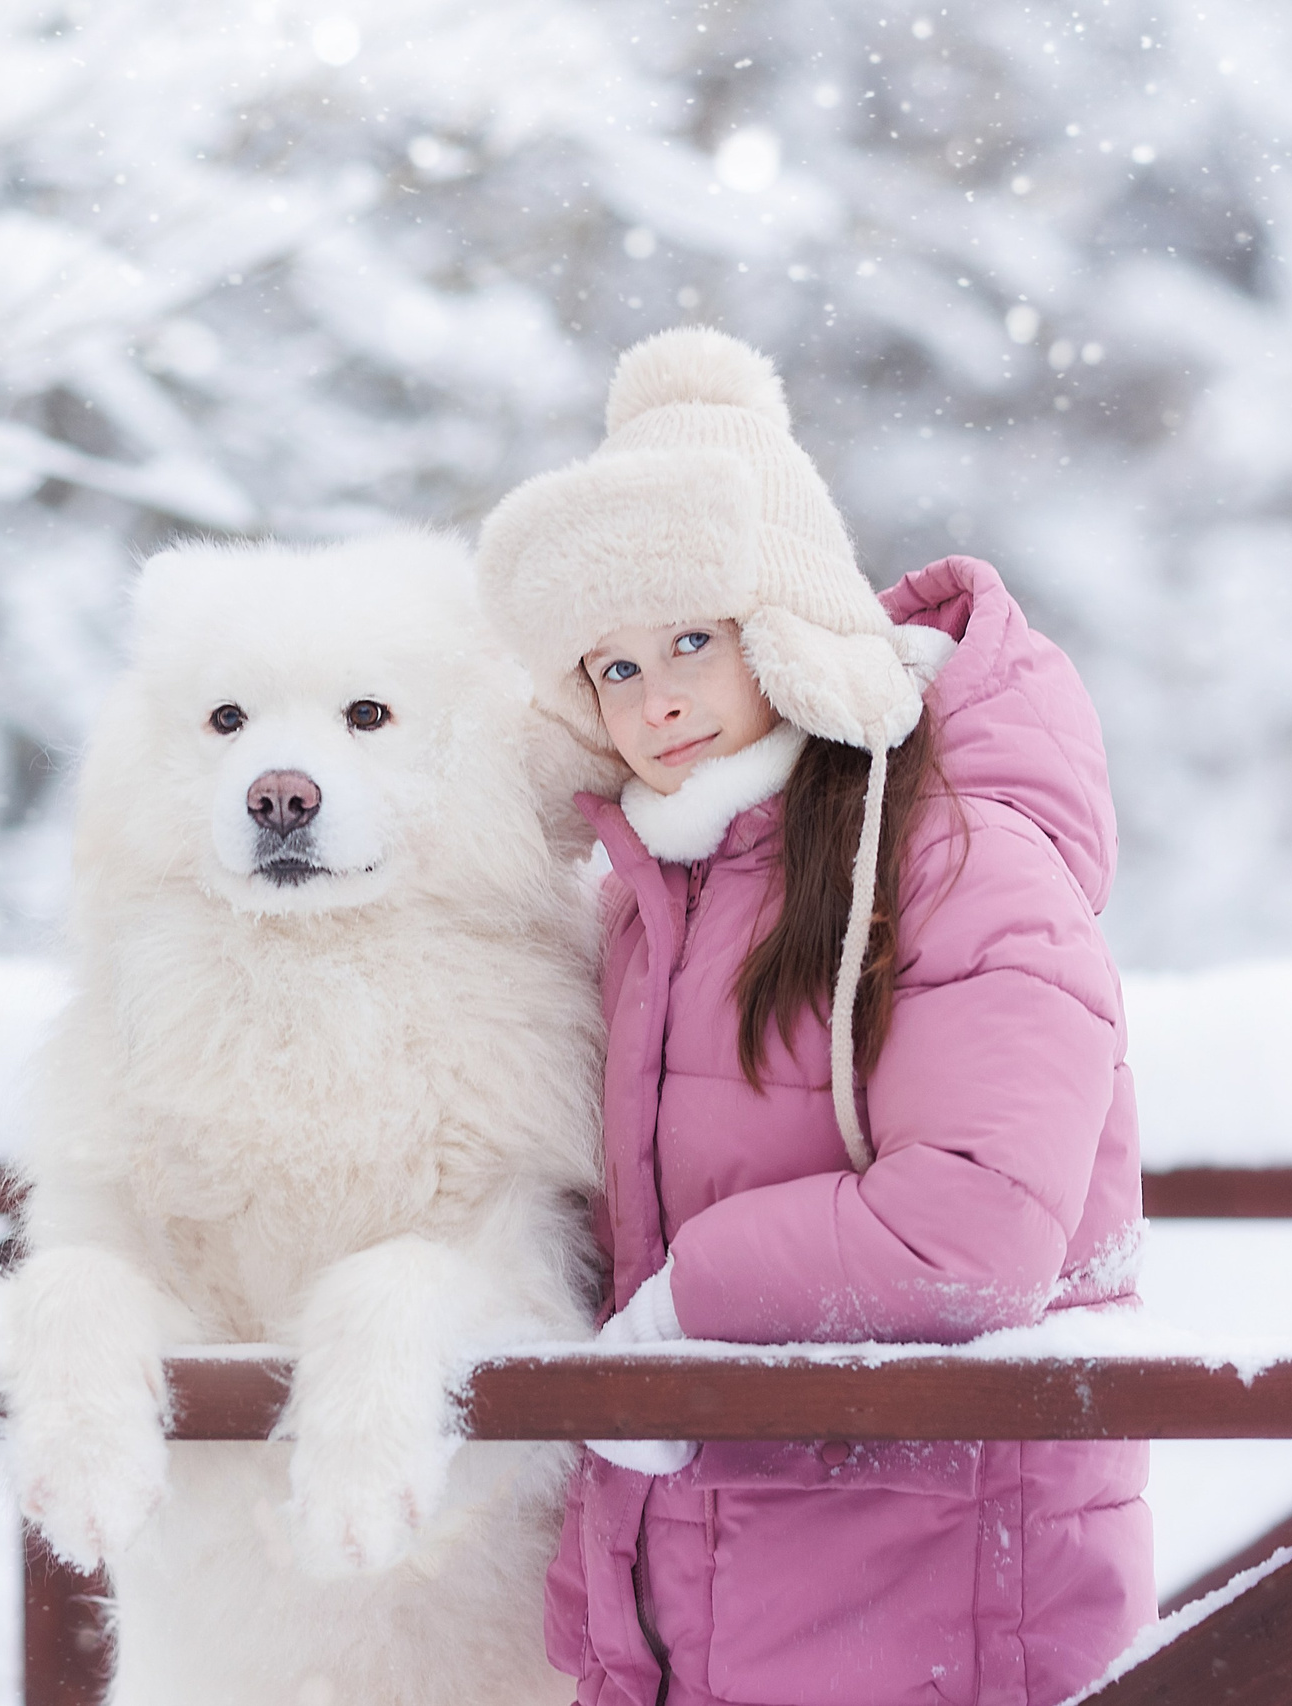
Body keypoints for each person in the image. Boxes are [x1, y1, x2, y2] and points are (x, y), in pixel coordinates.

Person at [475, 326, 1151, 1706]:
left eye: (688, 639)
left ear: (782, 625)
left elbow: (976, 1225)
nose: (655, 695)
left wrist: (684, 1311)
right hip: (710, 1602)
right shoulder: (655, 907)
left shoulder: (957, 861)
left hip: (923, 1591)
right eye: (610, 667)